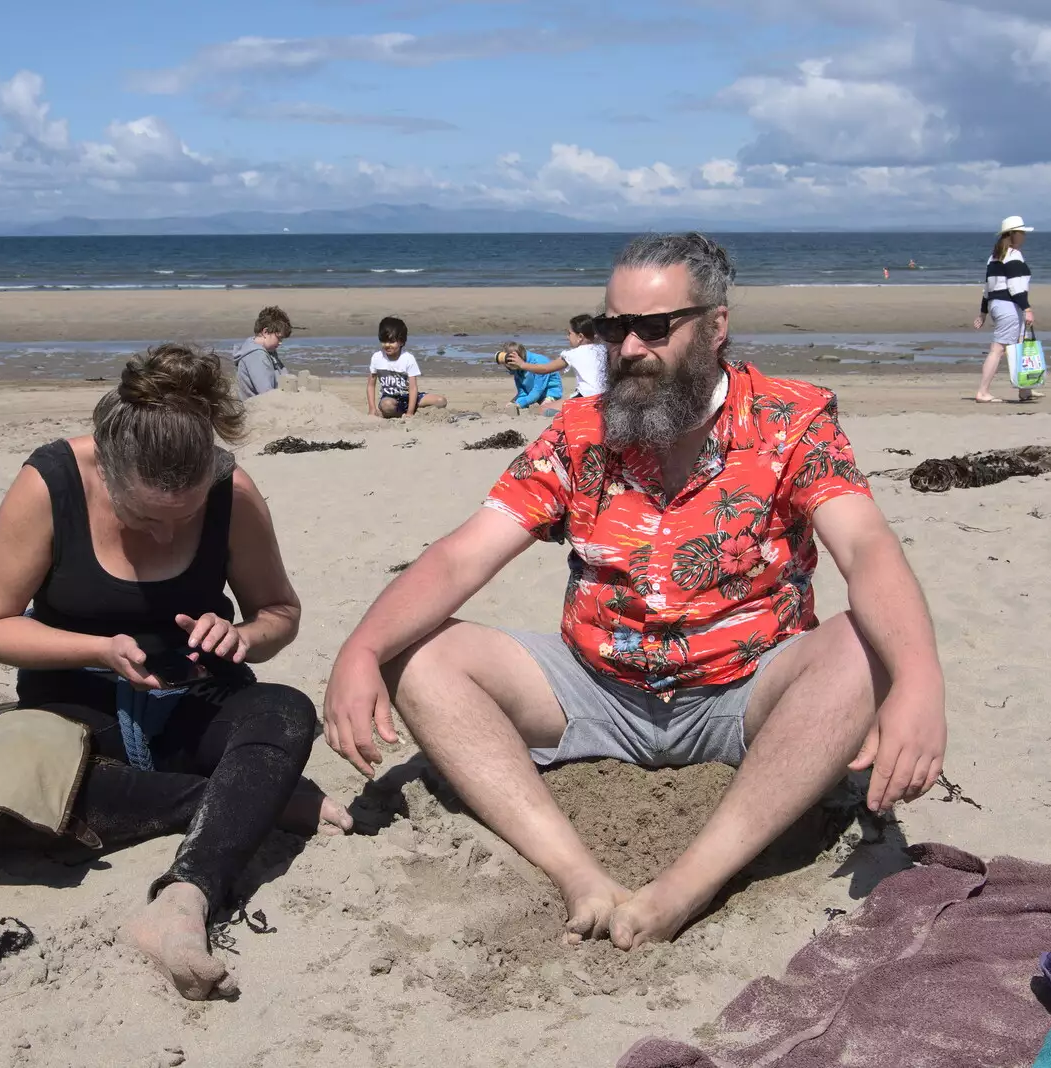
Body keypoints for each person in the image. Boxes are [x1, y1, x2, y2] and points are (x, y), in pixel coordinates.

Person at [323, 232, 947, 951]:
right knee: (419, 655)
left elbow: (866, 547)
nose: (629, 348)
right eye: (616, 326)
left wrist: (919, 680)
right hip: (596, 688)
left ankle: (689, 884)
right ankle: (575, 872)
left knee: (862, 650)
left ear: (715, 326)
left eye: (655, 327)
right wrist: (362, 649)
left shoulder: (789, 420)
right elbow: (464, 556)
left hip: (748, 690)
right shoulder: (582, 431)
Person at [0, 343, 350, 1000]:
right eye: (145, 517)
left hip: (193, 700)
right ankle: (251, 798)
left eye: (186, 517)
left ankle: (184, 898)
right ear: (106, 473)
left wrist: (245, 636)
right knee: (21, 800)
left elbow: (279, 612)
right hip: (77, 709)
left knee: (285, 711)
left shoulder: (233, 492)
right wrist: (94, 649)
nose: (167, 537)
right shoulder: (52, 483)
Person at [972, 216, 1039, 403]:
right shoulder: (1013, 256)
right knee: (998, 349)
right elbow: (1016, 287)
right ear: (1013, 234)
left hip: (997, 305)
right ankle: (983, 391)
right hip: (1008, 306)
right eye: (1022, 233)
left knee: (1017, 346)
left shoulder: (994, 256)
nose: (1024, 236)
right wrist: (1027, 308)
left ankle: (1024, 390)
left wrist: (984, 312)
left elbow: (988, 288)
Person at [502, 314, 608, 399]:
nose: (567, 337)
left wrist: (522, 364)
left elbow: (545, 368)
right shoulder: (603, 349)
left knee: (547, 409)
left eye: (569, 333)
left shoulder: (573, 354)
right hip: (606, 396)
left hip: (587, 397)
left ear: (580, 337)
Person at [368, 316, 447, 419]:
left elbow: (413, 388)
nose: (387, 345)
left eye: (392, 341)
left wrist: (410, 412)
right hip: (390, 398)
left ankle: (412, 411)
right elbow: (371, 385)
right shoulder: (377, 357)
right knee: (386, 406)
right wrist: (372, 409)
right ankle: (400, 414)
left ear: (401, 341)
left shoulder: (408, 358)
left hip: (409, 397)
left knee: (441, 401)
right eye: (384, 341)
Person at [233, 306, 291, 400]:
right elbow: (266, 393)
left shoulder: (268, 349)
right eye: (279, 338)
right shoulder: (257, 356)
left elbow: (285, 375)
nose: (280, 342)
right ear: (266, 332)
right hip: (258, 406)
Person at [498, 341, 564, 416]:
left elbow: (537, 391)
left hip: (550, 393)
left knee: (545, 410)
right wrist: (514, 403)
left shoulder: (539, 362)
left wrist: (520, 404)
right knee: (511, 406)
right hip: (531, 393)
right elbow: (522, 392)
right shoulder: (517, 369)